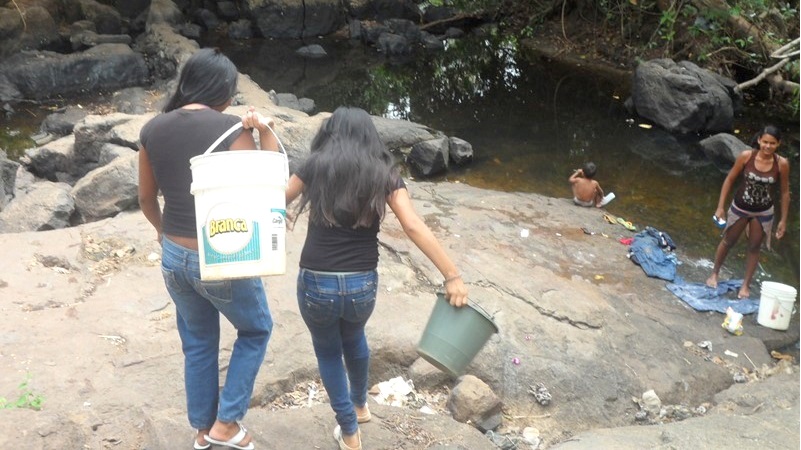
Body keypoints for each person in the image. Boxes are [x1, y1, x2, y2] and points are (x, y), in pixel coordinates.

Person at [285, 106, 468, 450]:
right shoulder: (384, 172)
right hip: (361, 284)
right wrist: (451, 275)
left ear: (330, 132)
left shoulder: (315, 164)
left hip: (316, 282)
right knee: (354, 337)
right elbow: (413, 225)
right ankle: (359, 404)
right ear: (371, 135)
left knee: (327, 352)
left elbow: (276, 200)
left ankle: (350, 430)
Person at [138, 47, 279, 450]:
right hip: (220, 254)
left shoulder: (152, 129)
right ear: (221, 89)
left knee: (198, 341)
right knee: (256, 329)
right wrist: (263, 131)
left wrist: (164, 234)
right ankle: (226, 425)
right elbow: (265, 188)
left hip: (173, 259)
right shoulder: (231, 129)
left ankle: (202, 430)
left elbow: (147, 200)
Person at [706, 125, 790, 299]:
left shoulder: (781, 163)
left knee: (754, 247)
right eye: (765, 142)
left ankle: (745, 285)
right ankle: (714, 273)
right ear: (759, 140)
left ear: (778, 144)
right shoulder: (747, 156)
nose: (767, 146)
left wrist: (783, 220)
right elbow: (729, 179)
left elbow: (784, 192)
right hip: (740, 207)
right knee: (728, 240)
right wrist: (721, 206)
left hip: (763, 211)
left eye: (772, 143)